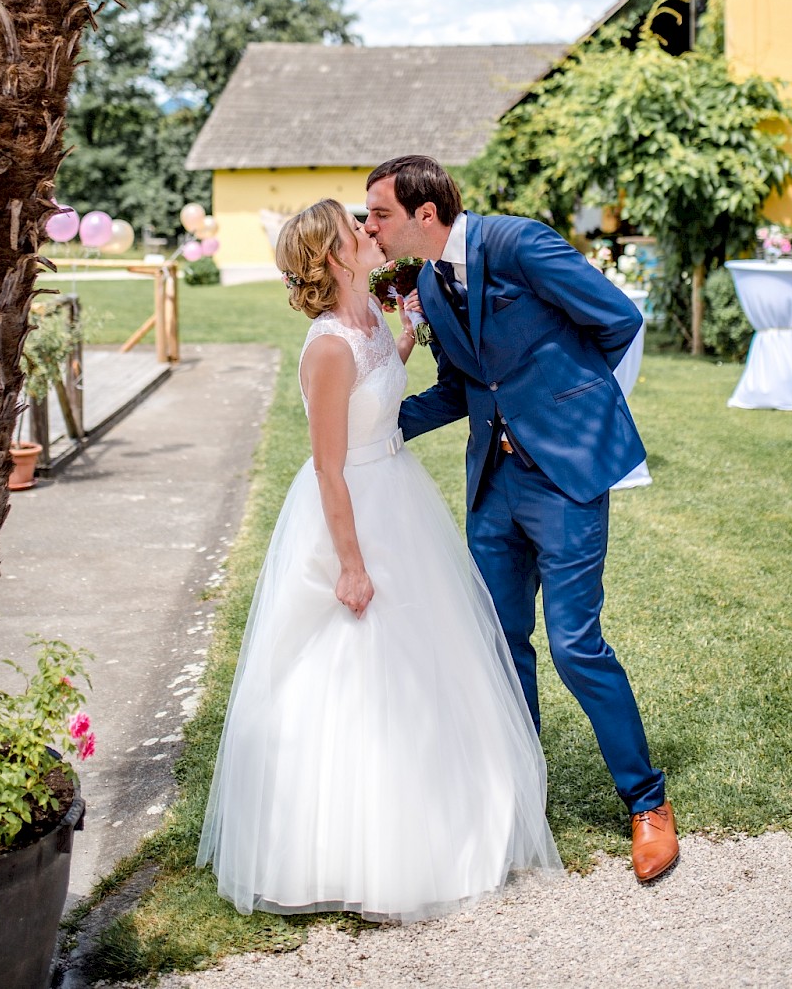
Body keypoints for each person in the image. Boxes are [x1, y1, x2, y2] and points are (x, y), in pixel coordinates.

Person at [196, 198, 561, 921]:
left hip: (398, 492)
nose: (370, 232)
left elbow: (380, 392)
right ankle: (352, 845)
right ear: (333, 258)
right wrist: (352, 565)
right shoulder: (327, 346)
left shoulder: (365, 324)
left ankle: (453, 805)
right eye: (353, 230)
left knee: (432, 655)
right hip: (354, 507)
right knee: (357, 666)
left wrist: (403, 338)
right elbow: (330, 466)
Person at [364, 157, 679, 884]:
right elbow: (462, 385)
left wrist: (570, 410)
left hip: (563, 480)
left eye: (379, 214)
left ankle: (647, 802)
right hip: (494, 489)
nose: (370, 226)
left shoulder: (520, 245)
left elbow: (618, 319)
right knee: (501, 644)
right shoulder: (432, 290)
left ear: (425, 212)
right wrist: (378, 425)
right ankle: (518, 794)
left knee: (573, 643)